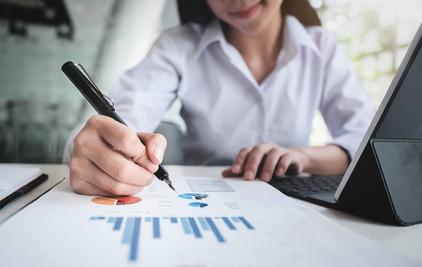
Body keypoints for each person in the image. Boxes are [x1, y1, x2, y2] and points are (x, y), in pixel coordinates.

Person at [66, 0, 374, 196]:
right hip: (209, 202)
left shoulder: (322, 47)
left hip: (293, 201)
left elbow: (363, 141)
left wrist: (303, 157)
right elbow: (121, 120)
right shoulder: (179, 46)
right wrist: (100, 148)